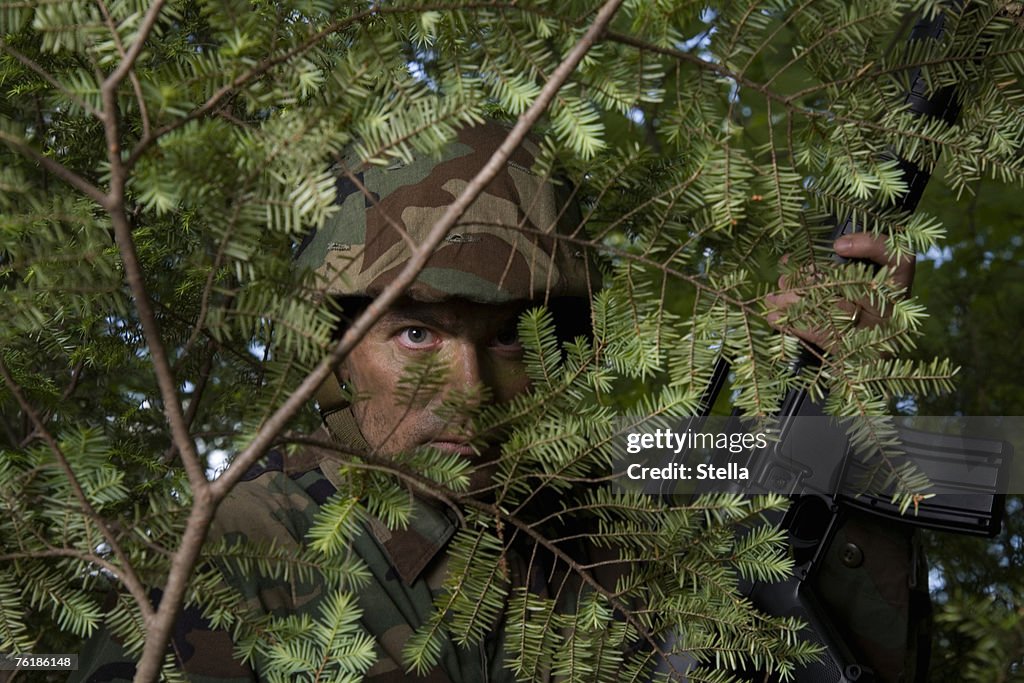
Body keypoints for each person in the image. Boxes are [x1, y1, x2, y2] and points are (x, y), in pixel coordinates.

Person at [73, 122, 927, 682]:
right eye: (416, 334)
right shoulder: (238, 554)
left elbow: (863, 655)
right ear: (332, 354)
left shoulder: (642, 509)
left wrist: (834, 399)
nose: (472, 393)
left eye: (514, 338)